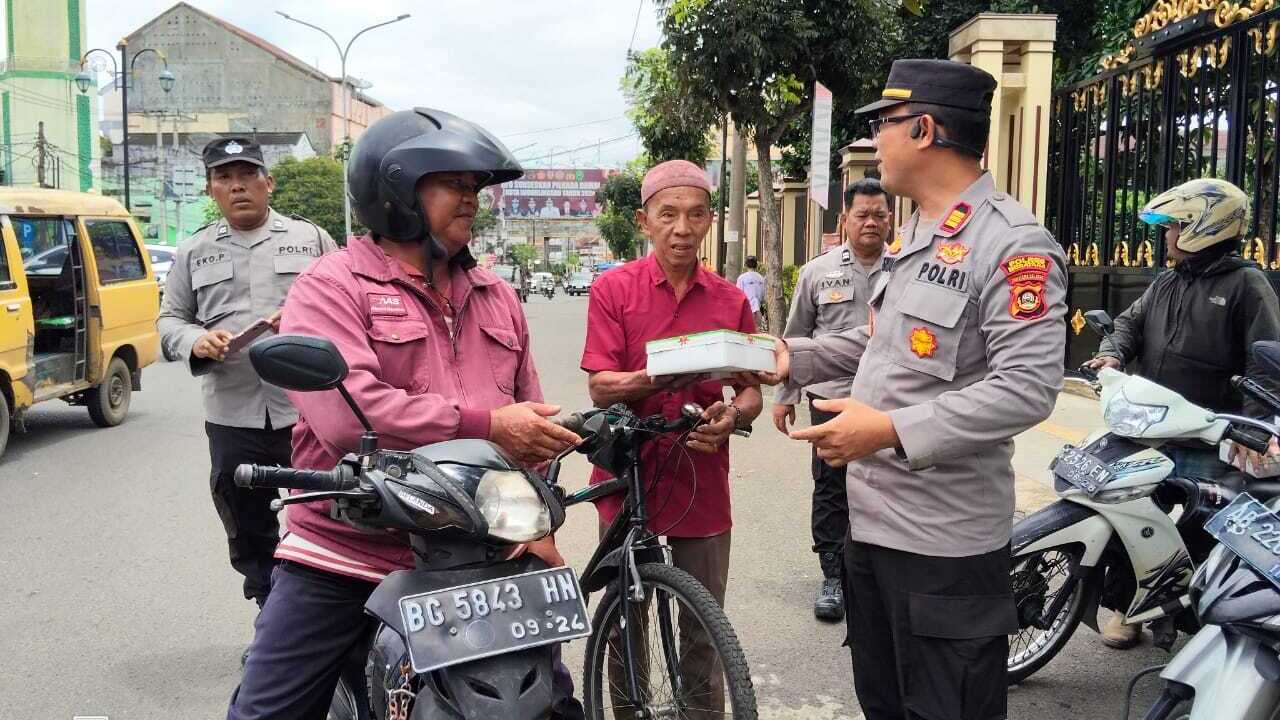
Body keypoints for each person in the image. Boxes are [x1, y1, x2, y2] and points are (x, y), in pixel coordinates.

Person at [226, 109, 583, 719]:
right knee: (265, 713)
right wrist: (488, 426)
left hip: (480, 553)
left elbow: (531, 430)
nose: (471, 200)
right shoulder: (333, 284)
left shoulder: (498, 296)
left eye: (476, 189)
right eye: (453, 184)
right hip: (349, 550)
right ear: (395, 189)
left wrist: (539, 521)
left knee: (552, 708)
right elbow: (348, 419)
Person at [757, 59, 1067, 720]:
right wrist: (792, 359)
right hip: (873, 535)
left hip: (944, 554)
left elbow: (1027, 388)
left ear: (923, 129)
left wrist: (889, 431)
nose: (875, 141)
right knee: (886, 705)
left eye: (883, 125)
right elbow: (884, 347)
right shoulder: (920, 234)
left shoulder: (1013, 246)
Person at [581, 159, 764, 718]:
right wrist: (655, 378)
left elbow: (751, 389)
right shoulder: (614, 289)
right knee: (625, 623)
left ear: (710, 219)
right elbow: (600, 387)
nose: (682, 228)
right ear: (645, 221)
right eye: (668, 215)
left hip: (701, 477)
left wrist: (732, 417)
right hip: (628, 475)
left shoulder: (730, 300)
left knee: (704, 626)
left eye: (695, 215)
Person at [1083, 177, 1280, 649]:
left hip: (1210, 434)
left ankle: (1191, 613)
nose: (1167, 235)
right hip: (1151, 425)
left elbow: (1266, 363)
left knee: (1199, 529)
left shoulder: (1246, 285)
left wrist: (1249, 433)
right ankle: (1126, 608)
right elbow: (1130, 323)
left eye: (1174, 226)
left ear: (1204, 227)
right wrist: (1112, 353)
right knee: (1126, 516)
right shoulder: (1168, 280)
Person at [158, 137, 337, 612]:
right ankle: (270, 619)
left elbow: (346, 306)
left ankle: (324, 622)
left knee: (325, 515)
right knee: (248, 526)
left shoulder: (312, 240)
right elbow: (170, 319)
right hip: (233, 412)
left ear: (268, 182)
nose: (237, 186)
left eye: (247, 175)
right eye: (224, 178)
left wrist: (304, 321)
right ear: (211, 189)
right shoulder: (194, 251)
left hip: (308, 409)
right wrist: (195, 340)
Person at [772, 177, 892, 621]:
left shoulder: (904, 269)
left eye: (879, 214)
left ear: (890, 219)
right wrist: (785, 396)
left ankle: (876, 574)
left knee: (885, 485)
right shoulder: (817, 272)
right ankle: (833, 575)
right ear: (844, 220)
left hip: (886, 399)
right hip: (829, 396)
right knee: (831, 487)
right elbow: (795, 337)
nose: (871, 223)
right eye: (862, 215)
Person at [735, 255, 766, 327]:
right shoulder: (761, 278)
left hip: (746, 309)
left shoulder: (742, 278)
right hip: (758, 309)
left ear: (745, 265)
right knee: (757, 330)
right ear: (756, 265)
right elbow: (763, 294)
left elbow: (738, 294)